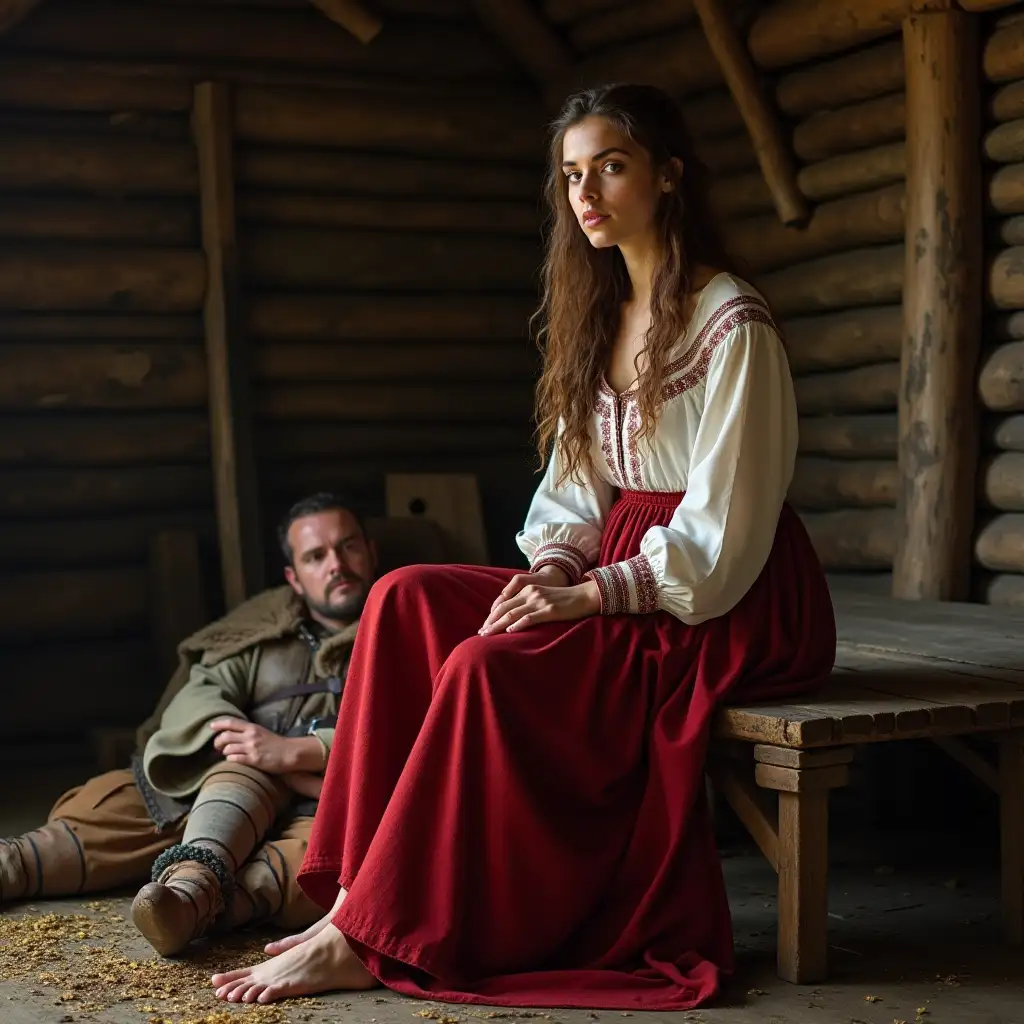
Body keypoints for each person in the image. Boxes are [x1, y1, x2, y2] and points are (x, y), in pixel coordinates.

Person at [210, 83, 837, 1010]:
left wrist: (586, 595)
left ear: (667, 178)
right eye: (572, 175)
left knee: (482, 666)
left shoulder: (730, 320)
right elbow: (576, 493)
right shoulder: (599, 313)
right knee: (404, 597)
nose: (586, 193)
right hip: (619, 563)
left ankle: (369, 934)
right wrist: (551, 569)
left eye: (611, 168)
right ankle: (355, 895)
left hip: (725, 594)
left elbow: (726, 528)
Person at [0, 492, 378, 958]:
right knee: (119, 812)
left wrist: (301, 752)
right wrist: (242, 741)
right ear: (294, 578)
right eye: (316, 556)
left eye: (348, 546)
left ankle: (190, 903)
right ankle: (9, 866)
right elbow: (202, 693)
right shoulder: (259, 636)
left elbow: (419, 725)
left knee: (315, 867)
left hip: (329, 799)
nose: (335, 564)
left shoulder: (399, 636)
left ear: (371, 551)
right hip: (230, 781)